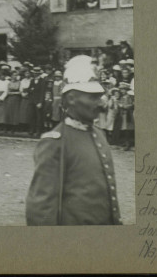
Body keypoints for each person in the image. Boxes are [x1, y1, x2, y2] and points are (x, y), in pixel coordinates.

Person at [26, 55, 122, 225]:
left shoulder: (99, 134)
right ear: (71, 99)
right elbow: (41, 209)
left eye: (99, 96)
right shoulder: (54, 142)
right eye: (92, 97)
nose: (100, 104)